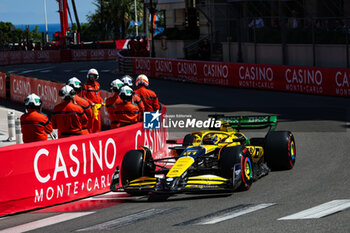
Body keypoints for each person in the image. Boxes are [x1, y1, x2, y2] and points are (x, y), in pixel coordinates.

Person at [81, 68, 104, 133]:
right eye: (91, 76)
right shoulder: (85, 86)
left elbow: (99, 95)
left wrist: (101, 101)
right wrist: (91, 103)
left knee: (98, 124)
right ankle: (90, 136)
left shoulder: (97, 85)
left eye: (94, 76)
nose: (92, 77)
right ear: (88, 76)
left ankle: (98, 136)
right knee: (91, 124)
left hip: (97, 108)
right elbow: (84, 97)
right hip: (91, 109)